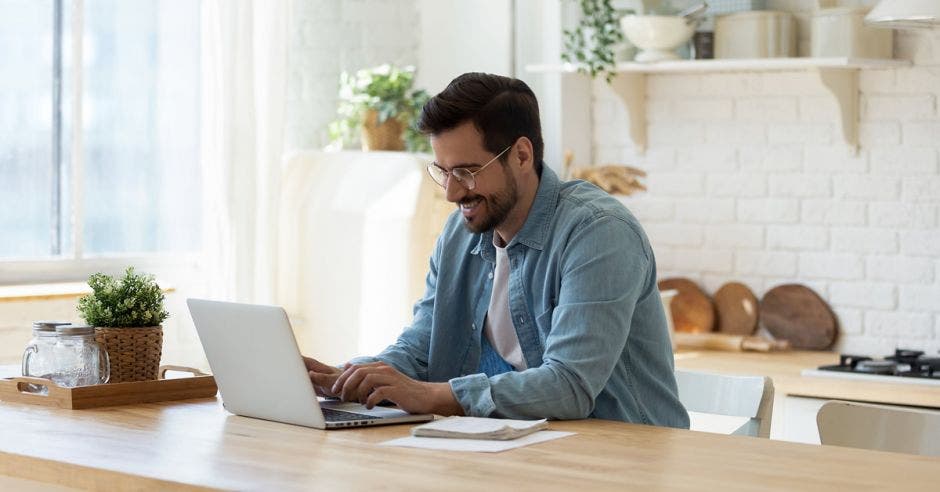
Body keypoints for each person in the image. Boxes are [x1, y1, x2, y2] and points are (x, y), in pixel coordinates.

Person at [304, 72, 689, 428]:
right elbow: (424, 345)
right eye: (443, 171)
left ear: (521, 155)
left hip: (627, 457)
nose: (452, 193)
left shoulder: (598, 233)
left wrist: (431, 396)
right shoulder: (461, 233)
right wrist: (350, 377)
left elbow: (570, 385)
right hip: (530, 449)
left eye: (466, 172)